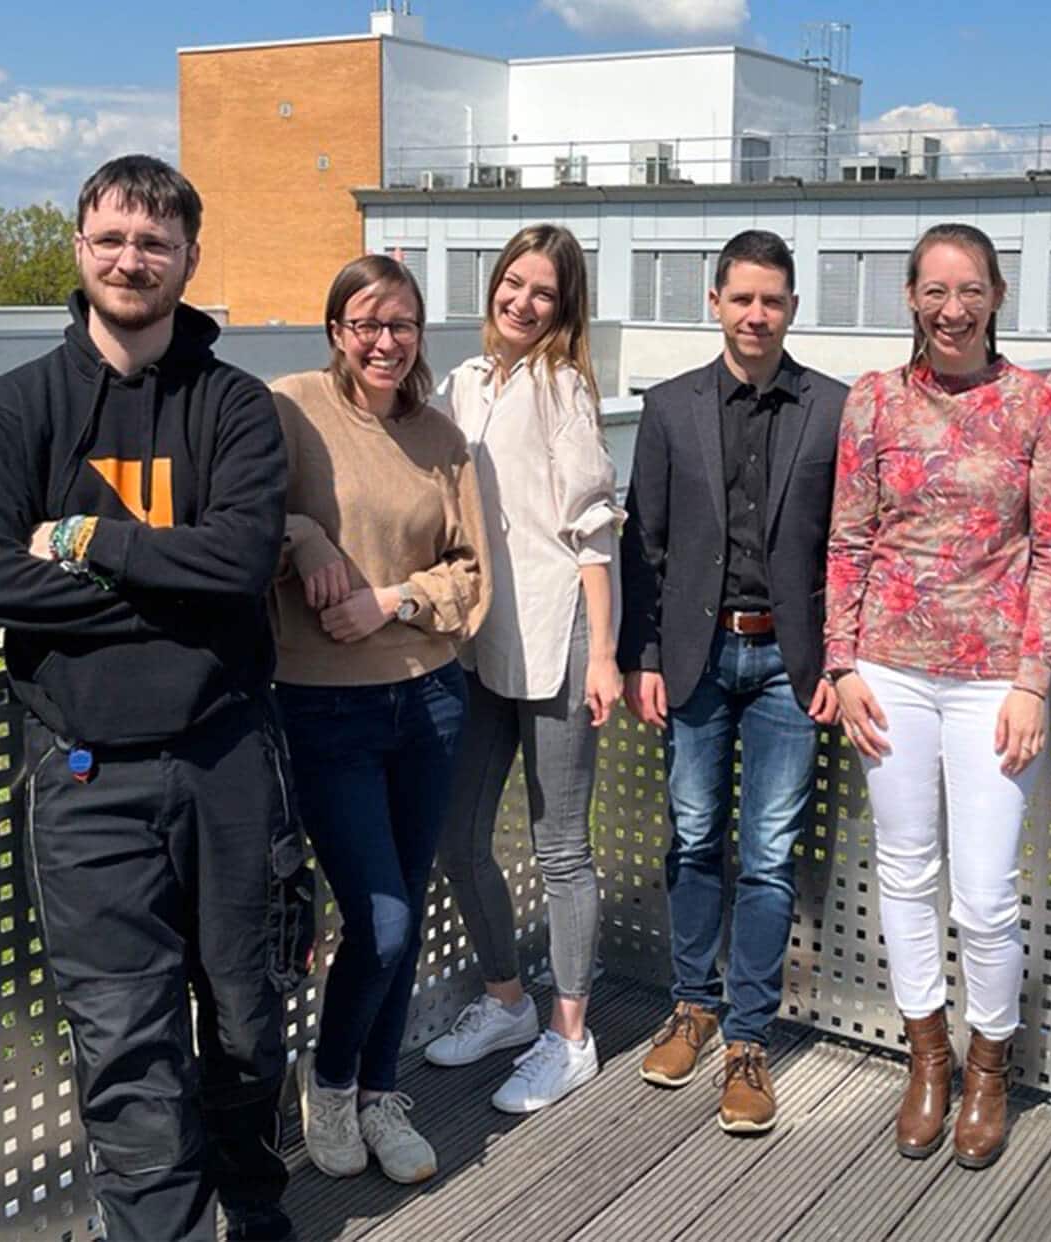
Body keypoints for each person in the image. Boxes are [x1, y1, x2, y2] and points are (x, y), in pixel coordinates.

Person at [0, 154, 308, 1242]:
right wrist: (173, 592)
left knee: (246, 1015)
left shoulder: (236, 406)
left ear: (190, 259)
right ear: (79, 248)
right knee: (125, 1039)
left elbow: (240, 564)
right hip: (85, 778)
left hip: (227, 760)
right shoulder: (20, 406)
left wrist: (88, 544)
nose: (130, 260)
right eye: (110, 239)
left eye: (155, 243)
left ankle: (255, 1207)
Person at [824, 222, 1051, 1169]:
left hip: (992, 684)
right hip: (889, 670)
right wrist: (842, 665)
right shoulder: (873, 400)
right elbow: (848, 539)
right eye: (934, 290)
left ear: (997, 296)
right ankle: (926, 1055)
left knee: (984, 894)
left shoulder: (1040, 404)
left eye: (970, 289)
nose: (952, 308)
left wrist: (1033, 678)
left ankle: (988, 1066)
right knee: (903, 871)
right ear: (910, 298)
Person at [617, 230, 846, 1132]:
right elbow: (644, 543)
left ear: (793, 309)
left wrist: (838, 661)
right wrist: (643, 656)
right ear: (714, 302)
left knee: (770, 850)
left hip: (791, 664)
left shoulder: (832, 408)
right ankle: (692, 1005)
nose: (757, 315)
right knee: (694, 833)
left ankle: (748, 1038)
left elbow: (848, 547)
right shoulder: (670, 407)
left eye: (772, 301)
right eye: (742, 298)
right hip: (696, 657)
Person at [270, 255, 488, 1185]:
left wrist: (391, 601)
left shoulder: (441, 437)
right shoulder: (288, 410)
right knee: (383, 920)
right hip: (323, 705)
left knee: (405, 903)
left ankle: (376, 1091)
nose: (384, 342)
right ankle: (327, 1081)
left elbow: (470, 572)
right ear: (335, 330)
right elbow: (242, 517)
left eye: (400, 324)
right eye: (365, 323)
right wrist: (304, 535)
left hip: (430, 698)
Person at [427, 224, 625, 1114]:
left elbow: (593, 532)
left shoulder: (561, 388)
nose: (522, 301)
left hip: (558, 639)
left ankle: (571, 1037)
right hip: (476, 644)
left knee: (561, 847)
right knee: (457, 835)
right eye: (513, 282)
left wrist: (605, 655)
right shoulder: (462, 382)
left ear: (564, 306)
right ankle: (507, 1000)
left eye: (543, 291)